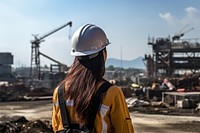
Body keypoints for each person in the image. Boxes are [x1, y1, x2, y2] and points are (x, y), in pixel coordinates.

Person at [52, 24, 134, 133]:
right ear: (102, 54)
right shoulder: (111, 93)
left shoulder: (59, 92)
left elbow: (56, 127)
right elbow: (125, 130)